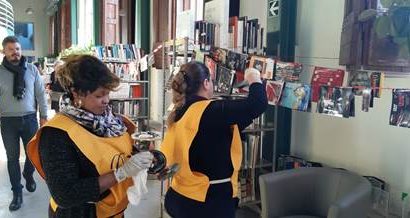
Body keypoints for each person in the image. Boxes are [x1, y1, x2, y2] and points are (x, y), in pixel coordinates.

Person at [27, 55, 154, 218]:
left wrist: (147, 158)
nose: (106, 101)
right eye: (99, 95)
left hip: (114, 212)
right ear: (76, 93)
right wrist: (120, 173)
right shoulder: (56, 134)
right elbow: (65, 194)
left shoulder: (113, 121)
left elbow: (120, 153)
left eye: (108, 94)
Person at [160, 62, 267, 218]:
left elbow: (222, 130)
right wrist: (254, 77)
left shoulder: (181, 110)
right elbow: (258, 103)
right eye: (211, 81)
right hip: (207, 203)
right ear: (205, 83)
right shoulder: (209, 110)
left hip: (180, 196)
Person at [0, 36, 48, 211]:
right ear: (4, 51)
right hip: (7, 122)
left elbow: (41, 95)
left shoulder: (32, 70)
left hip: (29, 119)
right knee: (12, 158)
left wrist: (44, 116)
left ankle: (28, 173)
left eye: (18, 49)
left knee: (32, 154)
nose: (16, 52)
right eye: (11, 49)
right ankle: (17, 193)